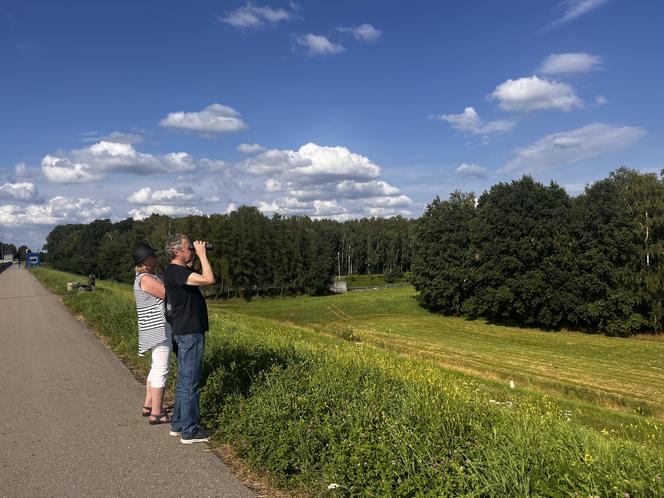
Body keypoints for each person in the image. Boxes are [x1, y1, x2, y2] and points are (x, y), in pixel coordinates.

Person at [163, 234, 215, 444]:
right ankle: (190, 431)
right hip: (190, 331)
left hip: (184, 330)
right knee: (191, 381)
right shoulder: (176, 271)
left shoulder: (178, 271)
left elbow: (196, 280)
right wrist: (202, 255)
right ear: (177, 251)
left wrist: (194, 258)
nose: (192, 249)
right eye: (188, 247)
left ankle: (178, 424)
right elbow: (209, 279)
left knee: (185, 379)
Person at [132, 243, 172, 425]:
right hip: (158, 328)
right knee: (161, 368)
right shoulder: (146, 278)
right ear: (144, 261)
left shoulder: (148, 276)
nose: (156, 258)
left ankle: (148, 405)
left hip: (152, 327)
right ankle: (157, 412)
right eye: (152, 256)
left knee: (156, 366)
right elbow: (167, 293)